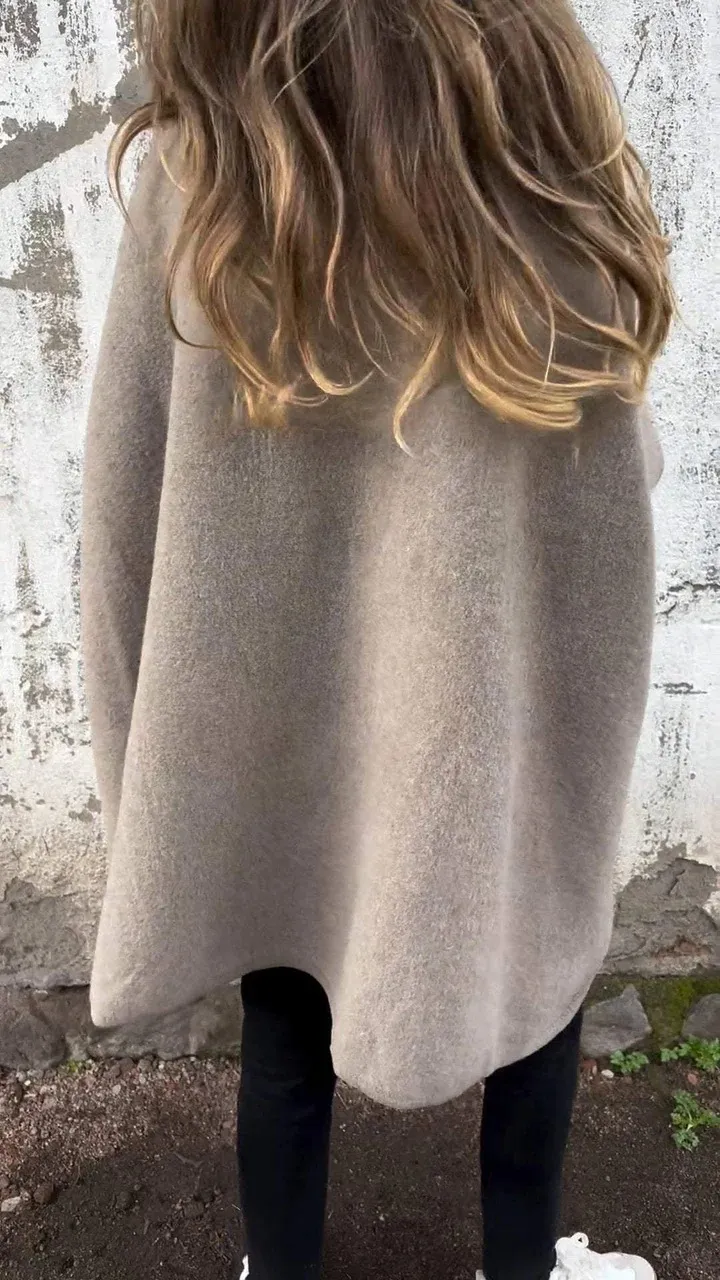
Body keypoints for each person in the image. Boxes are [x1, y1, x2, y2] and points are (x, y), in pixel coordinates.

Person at [80, 3, 675, 1279]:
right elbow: (617, 471)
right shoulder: (536, 161)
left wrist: (144, 764)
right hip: (496, 692)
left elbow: (126, 492)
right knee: (536, 980)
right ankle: (522, 1268)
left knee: (285, 1007)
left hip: (269, 713)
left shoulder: (203, 174)